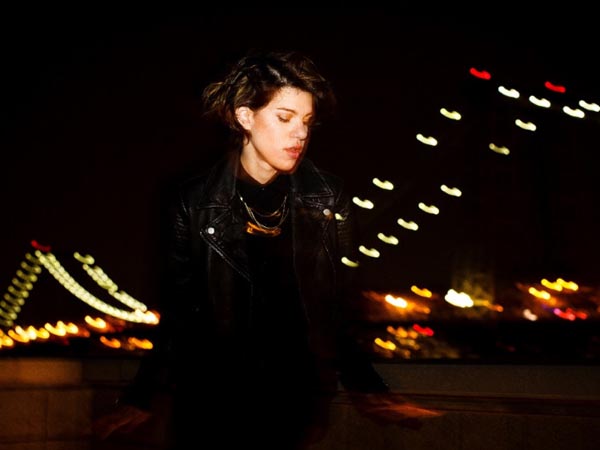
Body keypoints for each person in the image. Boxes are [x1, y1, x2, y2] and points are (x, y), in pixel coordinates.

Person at [93, 48, 440, 450]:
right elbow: (181, 313)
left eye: (307, 121)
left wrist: (371, 388)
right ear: (245, 117)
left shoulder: (328, 199)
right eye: (285, 118)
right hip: (211, 407)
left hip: (292, 408)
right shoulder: (192, 202)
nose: (300, 134)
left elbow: (335, 307)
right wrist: (142, 396)